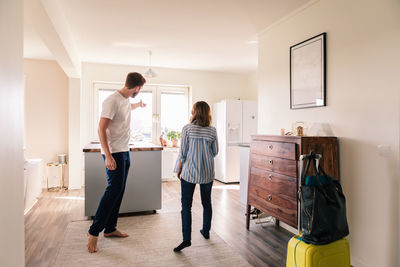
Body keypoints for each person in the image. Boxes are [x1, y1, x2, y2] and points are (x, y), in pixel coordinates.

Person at [87, 72, 146, 253]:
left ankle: (110, 228)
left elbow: (127, 109)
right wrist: (108, 155)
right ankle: (93, 232)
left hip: (125, 151)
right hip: (115, 153)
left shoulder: (125, 100)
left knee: (119, 191)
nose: (139, 91)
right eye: (140, 89)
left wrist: (139, 105)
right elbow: (101, 128)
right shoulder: (111, 100)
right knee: (113, 191)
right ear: (136, 88)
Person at [173, 101, 219, 252]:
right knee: (207, 203)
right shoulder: (212, 130)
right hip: (207, 173)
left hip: (189, 172)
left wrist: (178, 169)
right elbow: (215, 151)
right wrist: (204, 156)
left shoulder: (187, 129)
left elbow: (183, 152)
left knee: (186, 206)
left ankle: (186, 239)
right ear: (208, 113)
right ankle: (206, 231)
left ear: (194, 112)